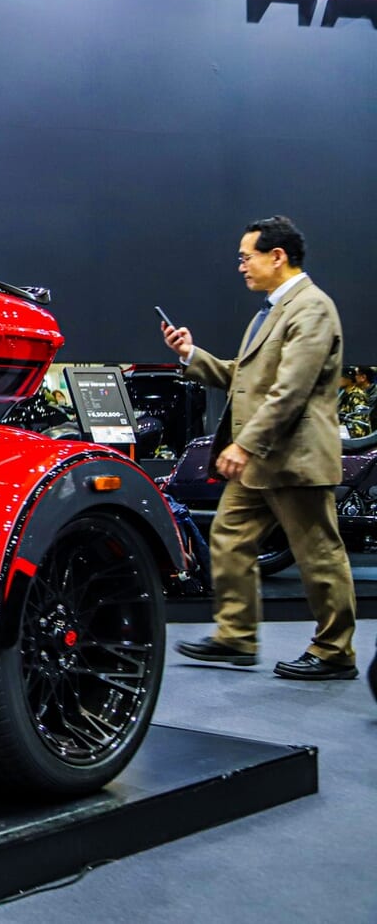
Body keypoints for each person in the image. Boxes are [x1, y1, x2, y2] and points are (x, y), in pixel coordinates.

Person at [161, 216, 357, 680]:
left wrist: (245, 445)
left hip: (294, 458)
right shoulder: (272, 311)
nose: (241, 266)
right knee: (229, 536)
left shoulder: (312, 308)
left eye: (246, 257)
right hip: (265, 460)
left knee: (319, 554)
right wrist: (191, 355)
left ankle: (335, 652)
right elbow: (245, 377)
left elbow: (291, 390)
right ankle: (237, 636)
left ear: (277, 256)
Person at [337, 367, 370, 438]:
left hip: (355, 438)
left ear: (350, 379)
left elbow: (360, 423)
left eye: (341, 377)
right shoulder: (344, 394)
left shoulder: (358, 396)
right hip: (343, 432)